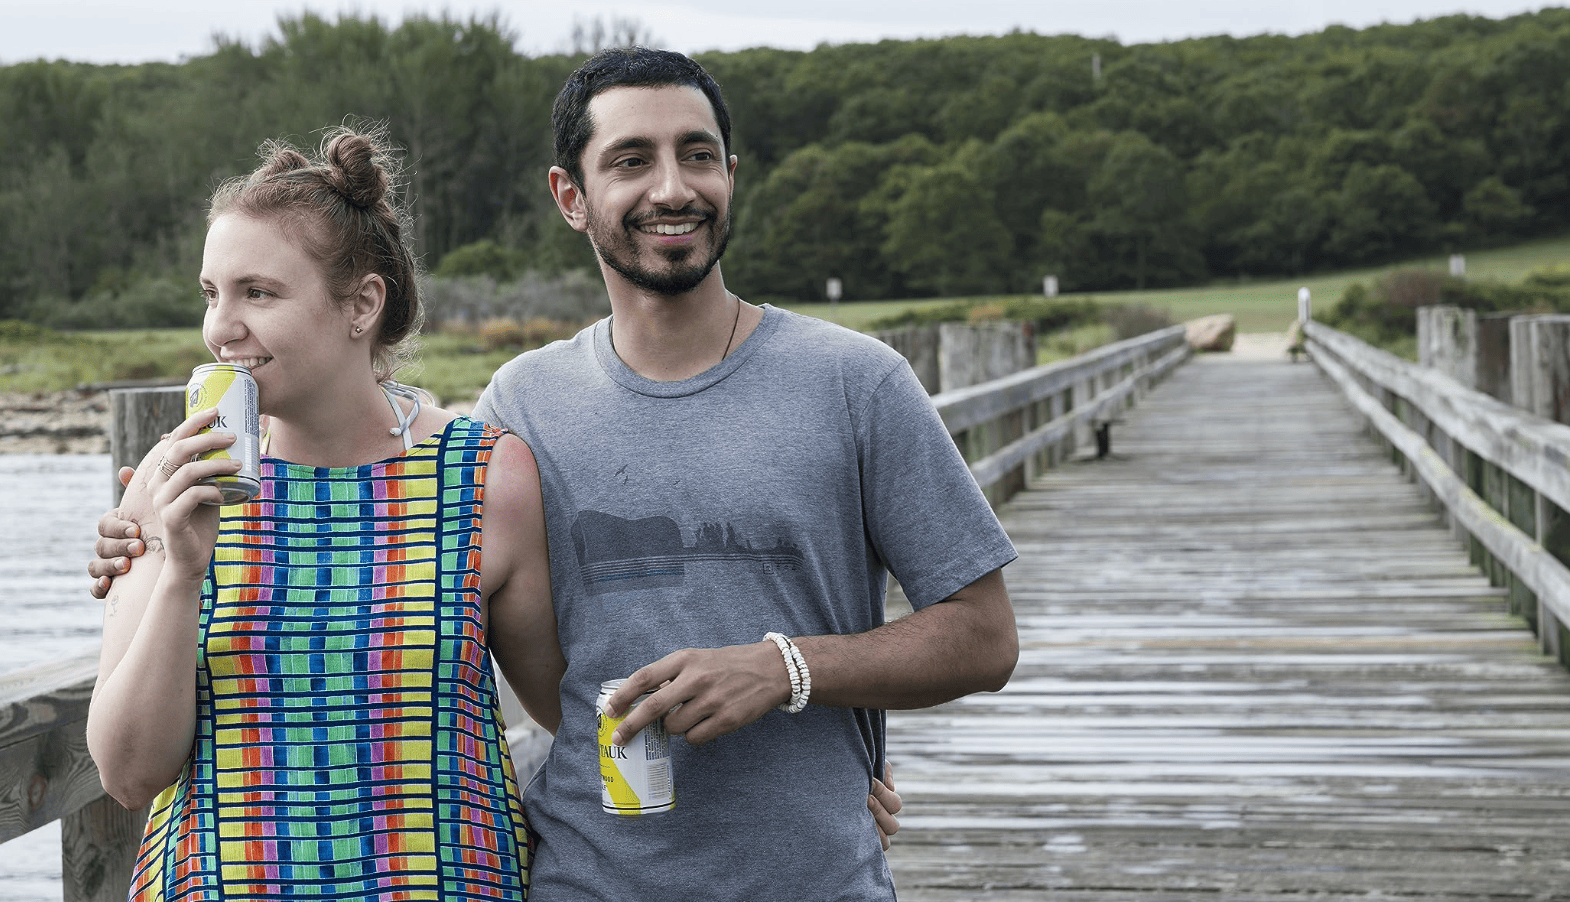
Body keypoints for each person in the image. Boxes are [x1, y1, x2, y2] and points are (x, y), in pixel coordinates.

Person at [93, 47, 1008, 899]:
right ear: (572, 196)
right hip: (582, 876)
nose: (672, 187)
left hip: (812, 877)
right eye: (631, 160)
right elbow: (536, 677)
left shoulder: (855, 382)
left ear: (732, 173)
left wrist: (797, 677)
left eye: (698, 154)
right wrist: (141, 547)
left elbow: (983, 637)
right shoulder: (519, 407)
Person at [85, 125, 562, 901]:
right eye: (212, 293)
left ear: (361, 304)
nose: (220, 327)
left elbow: (563, 706)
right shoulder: (170, 481)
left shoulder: (488, 477)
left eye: (259, 293)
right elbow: (130, 773)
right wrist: (178, 569)